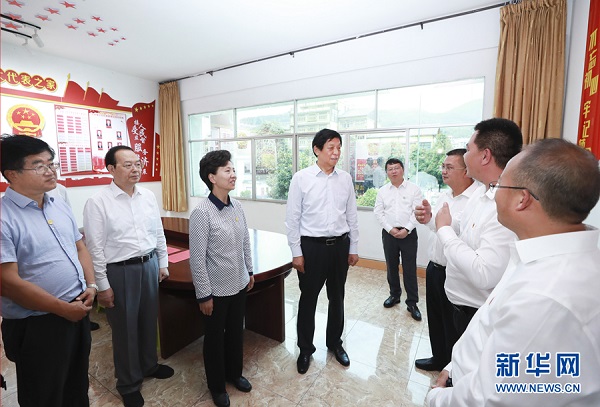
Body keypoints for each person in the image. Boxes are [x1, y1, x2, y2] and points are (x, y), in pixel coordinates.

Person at [426, 138, 600, 406]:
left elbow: (490, 398)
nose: (492, 193)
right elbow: (489, 325)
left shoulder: (544, 297)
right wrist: (454, 365)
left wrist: (436, 397)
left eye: (498, 185)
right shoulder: (536, 251)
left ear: (522, 199)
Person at [0, 134, 96, 406]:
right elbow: (7, 282)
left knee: (76, 386)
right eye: (38, 165)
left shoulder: (58, 204)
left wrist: (91, 285)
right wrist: (63, 309)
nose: (50, 170)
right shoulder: (4, 217)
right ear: (12, 174)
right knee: (43, 394)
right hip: (37, 324)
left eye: (51, 163)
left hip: (77, 309)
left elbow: (79, 247)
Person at [83, 145, 173, 407]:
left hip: (149, 265)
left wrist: (162, 263)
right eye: (128, 164)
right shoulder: (98, 202)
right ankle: (129, 383)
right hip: (119, 271)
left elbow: (157, 232)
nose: (135, 169)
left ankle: (149, 365)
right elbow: (95, 249)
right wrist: (102, 285)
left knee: (148, 322)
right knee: (125, 330)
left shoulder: (148, 196)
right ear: (111, 169)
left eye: (138, 164)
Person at [417, 118, 522, 338]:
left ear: (485, 156)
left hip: (477, 311)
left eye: (468, 149)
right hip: (460, 303)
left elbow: (484, 273)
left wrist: (444, 230)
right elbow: (462, 229)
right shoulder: (482, 193)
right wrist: (435, 221)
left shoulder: (504, 204)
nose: (465, 156)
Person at [286, 128, 359, 374]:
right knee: (308, 299)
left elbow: (351, 215)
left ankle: (335, 343)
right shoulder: (301, 178)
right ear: (317, 150)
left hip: (340, 246)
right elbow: (292, 218)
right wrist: (296, 252)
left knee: (337, 297)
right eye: (331, 147)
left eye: (339, 147)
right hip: (311, 248)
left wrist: (353, 247)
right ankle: (305, 349)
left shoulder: (345, 179)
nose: (336, 152)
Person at [189, 150, 254, 407]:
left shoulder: (237, 205)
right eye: (227, 170)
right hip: (216, 291)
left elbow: (245, 241)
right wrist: (204, 295)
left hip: (238, 284)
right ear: (212, 177)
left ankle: (234, 374)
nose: (233, 174)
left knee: (236, 333)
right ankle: (217, 386)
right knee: (215, 340)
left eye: (233, 169)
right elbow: (197, 259)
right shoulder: (202, 213)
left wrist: (249, 271)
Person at [414, 149, 477, 371]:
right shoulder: (444, 196)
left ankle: (453, 369)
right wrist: (428, 219)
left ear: (467, 171)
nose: (443, 171)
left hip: (456, 271)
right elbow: (439, 227)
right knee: (436, 317)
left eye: (449, 167)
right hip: (435, 267)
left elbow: (461, 232)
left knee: (454, 324)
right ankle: (439, 358)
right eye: (443, 166)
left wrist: (440, 223)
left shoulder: (475, 200)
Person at [373, 158, 423, 320]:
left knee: (410, 268)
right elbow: (378, 212)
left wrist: (407, 229)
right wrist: (390, 229)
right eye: (390, 169)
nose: (393, 171)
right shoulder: (383, 191)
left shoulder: (414, 189)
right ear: (386, 172)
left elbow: (417, 211)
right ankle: (394, 295)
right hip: (389, 234)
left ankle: (412, 303)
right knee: (391, 266)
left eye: (396, 168)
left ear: (402, 170)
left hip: (409, 234)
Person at [48, 183, 102, 332]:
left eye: (53, 169)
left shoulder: (60, 190)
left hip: (67, 246)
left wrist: (92, 285)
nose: (50, 172)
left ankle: (84, 318)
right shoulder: (7, 213)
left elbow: (70, 220)